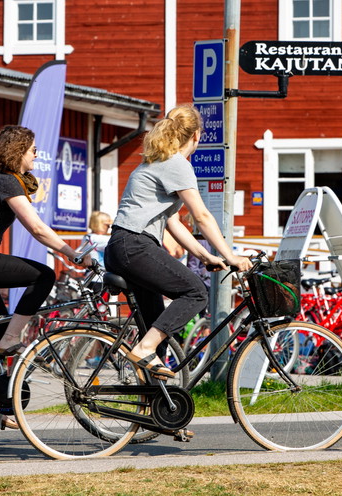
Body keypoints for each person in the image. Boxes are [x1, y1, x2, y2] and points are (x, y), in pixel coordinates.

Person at [105, 104, 252, 379]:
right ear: (196, 136)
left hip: (122, 247)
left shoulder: (156, 162)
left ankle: (157, 413)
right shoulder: (177, 165)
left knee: (156, 327)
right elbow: (202, 216)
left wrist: (208, 256)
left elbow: (174, 224)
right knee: (196, 292)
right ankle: (144, 347)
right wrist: (230, 255)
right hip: (135, 245)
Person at [0, 124, 92, 359]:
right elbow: (37, 228)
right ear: (18, 151)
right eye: (33, 149)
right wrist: (72, 253)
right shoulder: (7, 181)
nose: (37, 154)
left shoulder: (7, 181)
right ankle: (14, 337)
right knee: (43, 276)